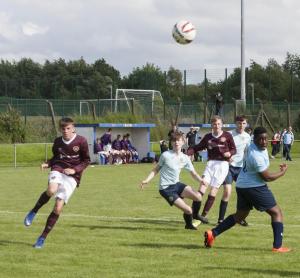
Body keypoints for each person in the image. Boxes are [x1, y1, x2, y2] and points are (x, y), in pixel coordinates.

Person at [204, 127, 290, 253]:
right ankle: (278, 246)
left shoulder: (252, 145)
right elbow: (267, 177)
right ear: (254, 139)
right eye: (260, 139)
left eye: (266, 138)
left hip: (242, 185)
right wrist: (282, 172)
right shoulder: (256, 156)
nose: (264, 141)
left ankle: (213, 233)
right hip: (254, 187)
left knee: (240, 216)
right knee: (276, 213)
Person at [24, 117, 90, 248]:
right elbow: (55, 157)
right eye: (63, 129)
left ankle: (42, 238)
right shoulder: (58, 141)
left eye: (68, 128)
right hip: (58, 169)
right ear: (60, 129)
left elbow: (86, 160)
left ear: (73, 128)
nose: (65, 131)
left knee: (58, 208)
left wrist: (74, 170)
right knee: (51, 190)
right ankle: (34, 211)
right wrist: (47, 163)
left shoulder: (81, 141)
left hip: (73, 176)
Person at [140, 131, 204, 230]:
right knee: (188, 210)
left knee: (198, 197)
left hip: (176, 185)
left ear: (183, 142)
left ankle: (195, 216)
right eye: (174, 141)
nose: (176, 143)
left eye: (178, 140)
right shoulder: (165, 155)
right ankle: (189, 224)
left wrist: (201, 181)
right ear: (171, 143)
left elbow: (193, 173)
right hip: (166, 189)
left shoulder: (185, 158)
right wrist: (146, 180)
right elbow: (156, 169)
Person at [188, 115, 236, 224]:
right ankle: (193, 214)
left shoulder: (227, 135)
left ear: (222, 125)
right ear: (212, 125)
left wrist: (230, 153)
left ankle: (202, 217)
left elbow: (234, 149)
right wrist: (190, 151)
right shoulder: (208, 137)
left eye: (219, 124)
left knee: (213, 191)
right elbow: (198, 147)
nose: (217, 126)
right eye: (215, 124)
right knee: (202, 186)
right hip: (210, 164)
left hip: (222, 165)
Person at [218, 115, 251, 226]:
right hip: (228, 167)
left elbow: (248, 151)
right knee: (227, 192)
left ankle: (239, 217)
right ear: (235, 123)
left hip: (241, 169)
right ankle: (221, 219)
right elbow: (220, 147)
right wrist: (227, 156)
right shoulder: (229, 134)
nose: (241, 125)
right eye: (239, 123)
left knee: (244, 194)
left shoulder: (248, 137)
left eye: (243, 123)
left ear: (246, 124)